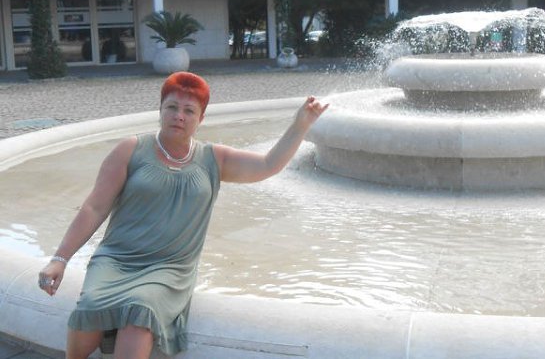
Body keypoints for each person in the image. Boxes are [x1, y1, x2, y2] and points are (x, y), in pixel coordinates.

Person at [37, 71, 329, 359]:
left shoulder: (214, 159)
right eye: (172, 107)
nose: (179, 116)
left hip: (168, 268)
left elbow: (268, 164)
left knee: (141, 314)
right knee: (90, 312)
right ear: (160, 110)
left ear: (201, 118)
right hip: (117, 259)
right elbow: (94, 207)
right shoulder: (131, 149)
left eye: (189, 111)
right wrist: (60, 259)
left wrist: (300, 124)